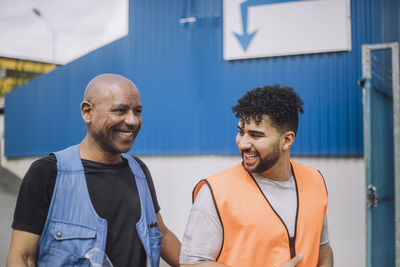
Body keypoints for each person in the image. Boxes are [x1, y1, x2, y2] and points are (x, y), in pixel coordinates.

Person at [6, 73, 181, 267]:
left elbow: (161, 233)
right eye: (120, 110)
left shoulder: (139, 171)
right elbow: (23, 257)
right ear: (87, 112)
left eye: (137, 111)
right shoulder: (47, 173)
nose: (132, 121)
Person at [179, 85, 333, 267]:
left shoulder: (315, 181)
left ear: (286, 140)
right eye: (241, 132)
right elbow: (191, 264)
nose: (242, 143)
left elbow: (322, 245)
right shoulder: (215, 192)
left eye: (256, 135)